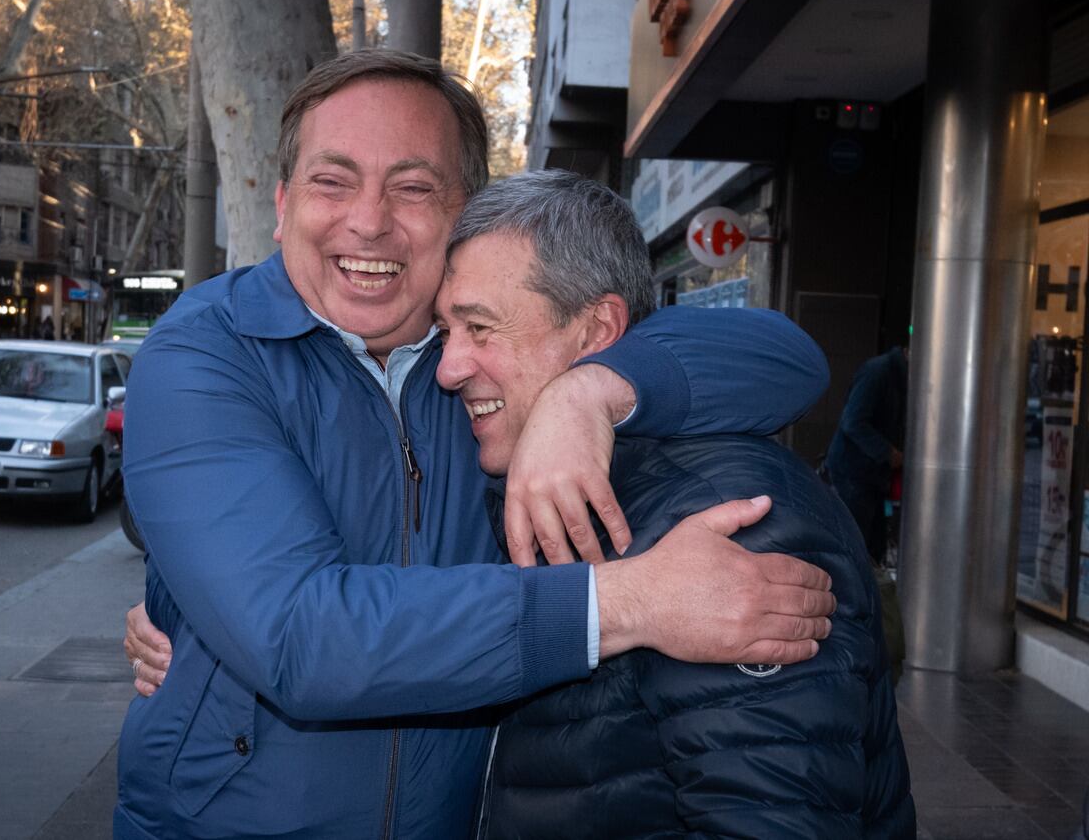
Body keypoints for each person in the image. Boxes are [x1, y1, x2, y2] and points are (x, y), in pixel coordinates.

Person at [116, 50, 834, 839]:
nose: (369, 219)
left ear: (465, 213)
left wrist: (589, 393)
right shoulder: (204, 354)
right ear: (283, 204)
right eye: (333, 181)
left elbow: (787, 358)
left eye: (414, 187)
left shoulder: (483, 357)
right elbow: (297, 636)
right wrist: (632, 602)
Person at [429, 170, 914, 838]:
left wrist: (585, 394)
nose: (447, 368)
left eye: (480, 328)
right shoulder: (530, 466)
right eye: (445, 330)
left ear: (598, 329)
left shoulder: (727, 527)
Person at [825, 343, 909, 565]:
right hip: (855, 472)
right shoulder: (879, 372)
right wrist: (888, 453)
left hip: (873, 475)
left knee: (872, 545)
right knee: (856, 544)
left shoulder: (897, 375)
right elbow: (852, 422)